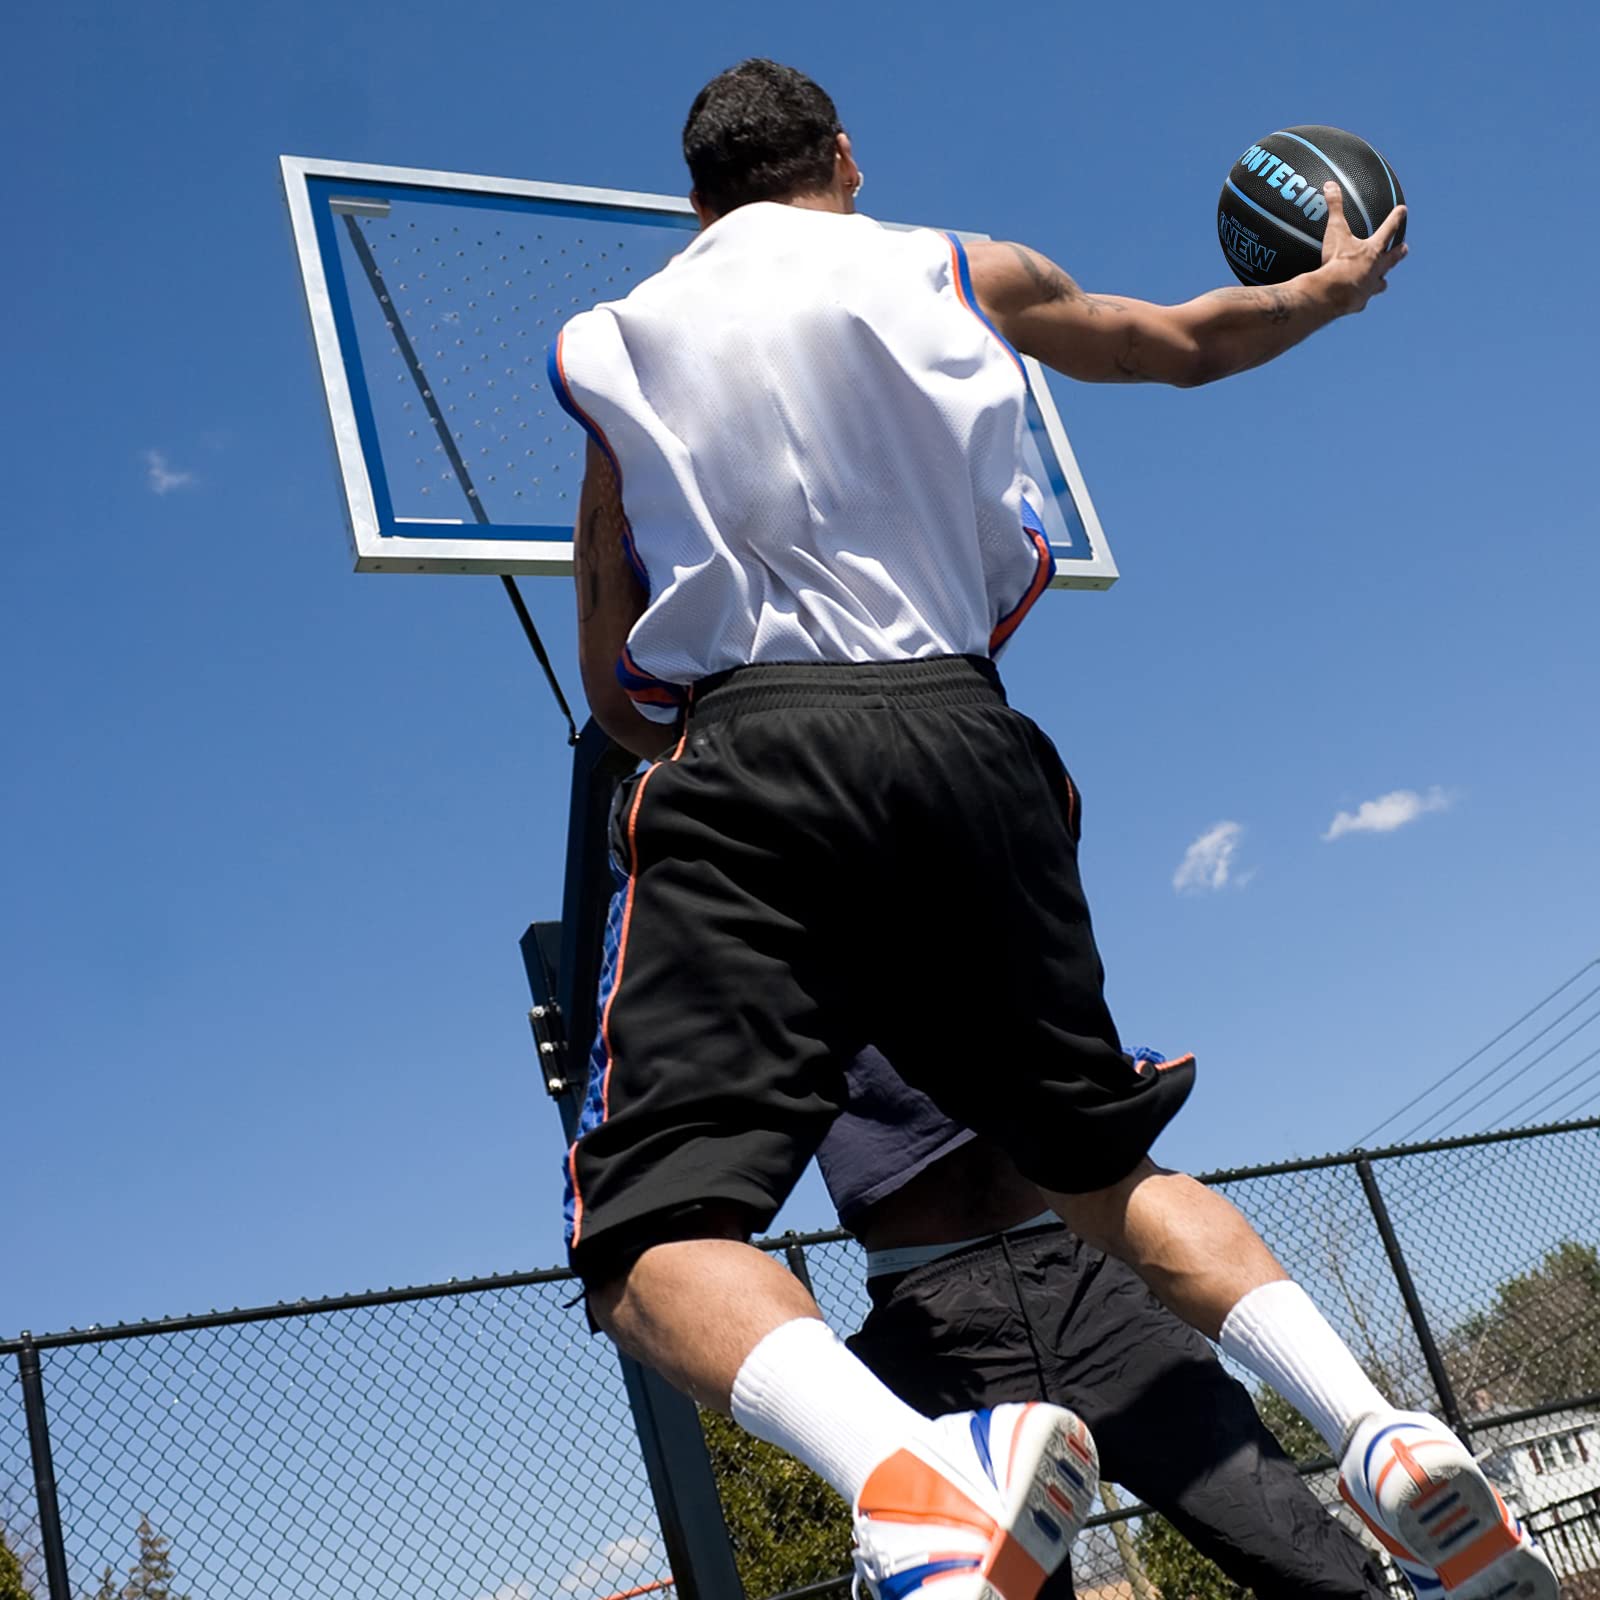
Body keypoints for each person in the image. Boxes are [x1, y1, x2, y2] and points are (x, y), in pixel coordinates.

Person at [548, 57, 1552, 1600]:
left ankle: (905, 1476)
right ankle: (1379, 1431)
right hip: (966, 729)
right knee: (1107, 1169)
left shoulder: (610, 342)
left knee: (651, 1236)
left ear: (695, 201)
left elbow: (617, 659)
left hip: (750, 742)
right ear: (845, 160)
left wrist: (678, 740)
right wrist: (1337, 290)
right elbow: (1179, 344)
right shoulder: (960, 266)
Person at [822, 1047, 1390, 1599]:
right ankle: (1381, 1436)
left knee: (1299, 1550)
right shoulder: (781, 974)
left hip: (1093, 1272)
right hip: (930, 1321)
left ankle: (1389, 1447)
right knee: (981, 1581)